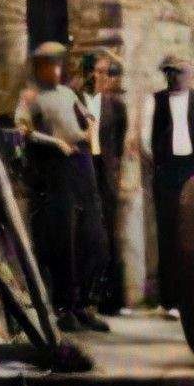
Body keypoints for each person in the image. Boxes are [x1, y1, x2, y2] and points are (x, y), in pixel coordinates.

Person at [12, 43, 106, 332]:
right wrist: (56, 143)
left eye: (57, 65)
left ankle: (84, 305)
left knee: (92, 234)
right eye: (47, 65)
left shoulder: (67, 93)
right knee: (63, 238)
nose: (53, 70)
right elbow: (23, 130)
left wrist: (90, 124)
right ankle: (64, 306)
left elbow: (84, 114)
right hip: (55, 169)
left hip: (82, 164)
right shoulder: (30, 97)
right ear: (38, 67)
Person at [143, 54, 194, 315]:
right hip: (168, 172)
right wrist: (165, 164)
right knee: (168, 234)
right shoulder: (154, 102)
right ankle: (170, 300)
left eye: (183, 72)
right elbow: (146, 143)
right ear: (167, 75)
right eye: (173, 73)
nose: (179, 77)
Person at [78, 51, 128, 316]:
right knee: (86, 231)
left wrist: (113, 169)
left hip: (104, 170)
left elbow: (117, 142)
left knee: (108, 231)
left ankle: (110, 298)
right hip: (83, 167)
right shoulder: (77, 101)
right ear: (87, 73)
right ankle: (83, 297)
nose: (102, 77)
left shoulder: (116, 106)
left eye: (107, 72)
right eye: (98, 71)